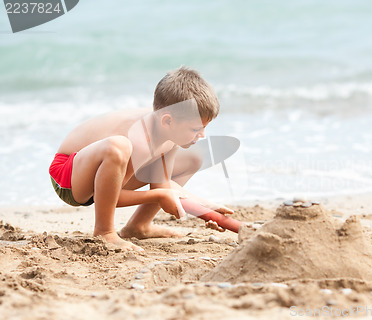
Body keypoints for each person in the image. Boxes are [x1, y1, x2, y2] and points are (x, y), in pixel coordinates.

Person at [48, 66, 233, 252]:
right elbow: (109, 195)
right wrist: (161, 196)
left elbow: (162, 185)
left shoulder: (169, 128)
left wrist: (205, 208)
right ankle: (104, 231)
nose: (202, 135)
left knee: (193, 158)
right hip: (68, 178)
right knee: (118, 146)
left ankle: (139, 226)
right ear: (167, 121)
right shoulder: (137, 138)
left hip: (100, 172)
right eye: (195, 129)